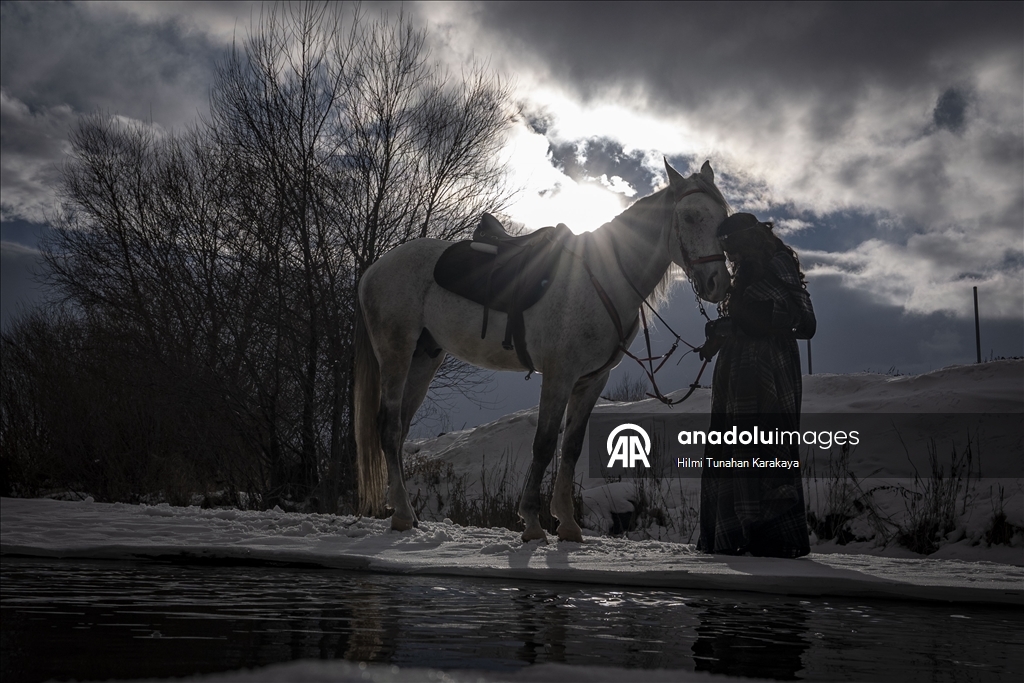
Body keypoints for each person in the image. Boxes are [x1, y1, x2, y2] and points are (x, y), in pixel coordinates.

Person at [695, 213, 816, 558]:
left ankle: (767, 538)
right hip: (738, 371)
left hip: (767, 368)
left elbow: (803, 321)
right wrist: (722, 332)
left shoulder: (777, 264)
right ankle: (737, 535)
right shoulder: (747, 270)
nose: (730, 257)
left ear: (747, 240)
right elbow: (748, 318)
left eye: (732, 248)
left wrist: (740, 320)